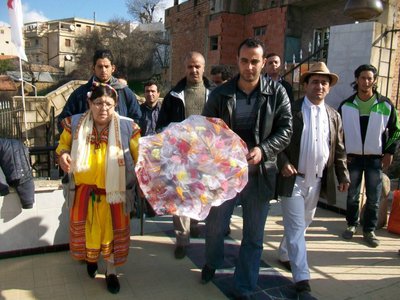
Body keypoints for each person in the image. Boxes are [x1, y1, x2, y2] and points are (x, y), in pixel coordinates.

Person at [201, 38, 292, 299]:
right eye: (244, 61)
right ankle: (212, 262)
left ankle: (244, 286)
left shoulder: (277, 93)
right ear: (237, 61)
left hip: (260, 175)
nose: (249, 67)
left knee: (253, 236)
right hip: (225, 176)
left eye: (255, 61)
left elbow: (286, 130)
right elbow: (207, 131)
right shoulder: (221, 94)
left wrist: (263, 150)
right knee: (216, 227)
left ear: (263, 63)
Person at [56, 82, 140, 294]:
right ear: (89, 103)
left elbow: (140, 159)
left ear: (116, 105)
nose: (104, 108)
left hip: (115, 195)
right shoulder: (74, 124)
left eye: (109, 104)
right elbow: (63, 147)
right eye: (99, 103)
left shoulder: (128, 128)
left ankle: (111, 272)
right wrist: (63, 156)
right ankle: (91, 260)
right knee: (87, 232)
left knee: (112, 236)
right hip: (84, 193)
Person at [276, 62, 350, 298]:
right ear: (305, 84)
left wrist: (342, 174)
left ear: (329, 88)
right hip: (293, 180)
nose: (319, 86)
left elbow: (339, 149)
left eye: (324, 82)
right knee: (297, 227)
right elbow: (276, 141)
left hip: (317, 180)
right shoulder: (291, 110)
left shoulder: (333, 116)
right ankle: (302, 279)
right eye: (315, 81)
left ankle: (285, 252)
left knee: (304, 222)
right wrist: (283, 162)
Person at [156, 51, 214, 259]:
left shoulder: (214, 94)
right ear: (185, 68)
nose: (194, 70)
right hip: (179, 156)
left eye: (197, 66)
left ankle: (196, 223)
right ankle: (182, 238)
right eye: (190, 66)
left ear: (204, 67)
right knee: (180, 197)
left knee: (201, 194)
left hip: (205, 157)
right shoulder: (173, 96)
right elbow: (161, 125)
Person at [339, 64, 400, 247]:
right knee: (353, 195)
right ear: (356, 79)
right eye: (363, 78)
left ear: (374, 81)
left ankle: (369, 230)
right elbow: (338, 134)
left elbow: (395, 131)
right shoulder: (347, 105)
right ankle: (351, 225)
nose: (366, 81)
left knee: (374, 197)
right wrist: (343, 154)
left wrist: (389, 152)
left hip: (375, 158)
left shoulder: (385, 104)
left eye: (370, 78)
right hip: (353, 158)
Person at [57, 49, 141, 133]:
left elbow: (137, 119)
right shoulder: (80, 93)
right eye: (100, 66)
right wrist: (77, 139)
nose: (103, 70)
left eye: (106, 66)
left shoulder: (124, 92)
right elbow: (63, 121)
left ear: (113, 68)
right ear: (93, 68)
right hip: (88, 143)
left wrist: (125, 135)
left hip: (118, 143)